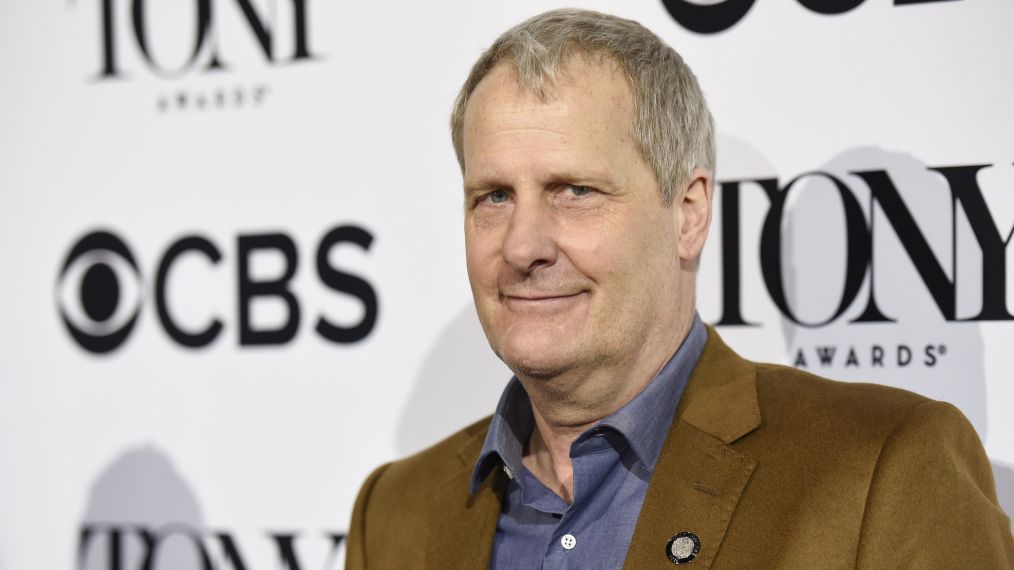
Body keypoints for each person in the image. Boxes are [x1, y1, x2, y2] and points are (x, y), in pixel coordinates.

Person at [346, 8, 1014, 568]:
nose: (522, 246)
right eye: (493, 196)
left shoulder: (884, 470)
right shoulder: (395, 511)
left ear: (688, 214)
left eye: (574, 191)